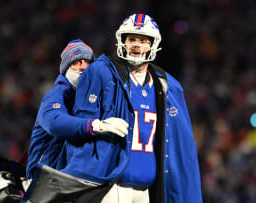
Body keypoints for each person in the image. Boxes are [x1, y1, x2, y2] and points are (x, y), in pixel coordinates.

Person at [57, 13, 202, 203]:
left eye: (143, 40)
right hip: (112, 185)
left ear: (153, 44)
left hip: (146, 190)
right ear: (121, 41)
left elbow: (179, 146)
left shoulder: (166, 85)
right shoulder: (102, 72)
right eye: (132, 39)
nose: (136, 45)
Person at [26, 39, 129, 180]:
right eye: (76, 62)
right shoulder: (58, 94)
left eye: (87, 62)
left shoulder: (88, 97)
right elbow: (54, 122)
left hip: (67, 175)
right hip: (43, 178)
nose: (83, 67)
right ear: (66, 68)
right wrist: (95, 125)